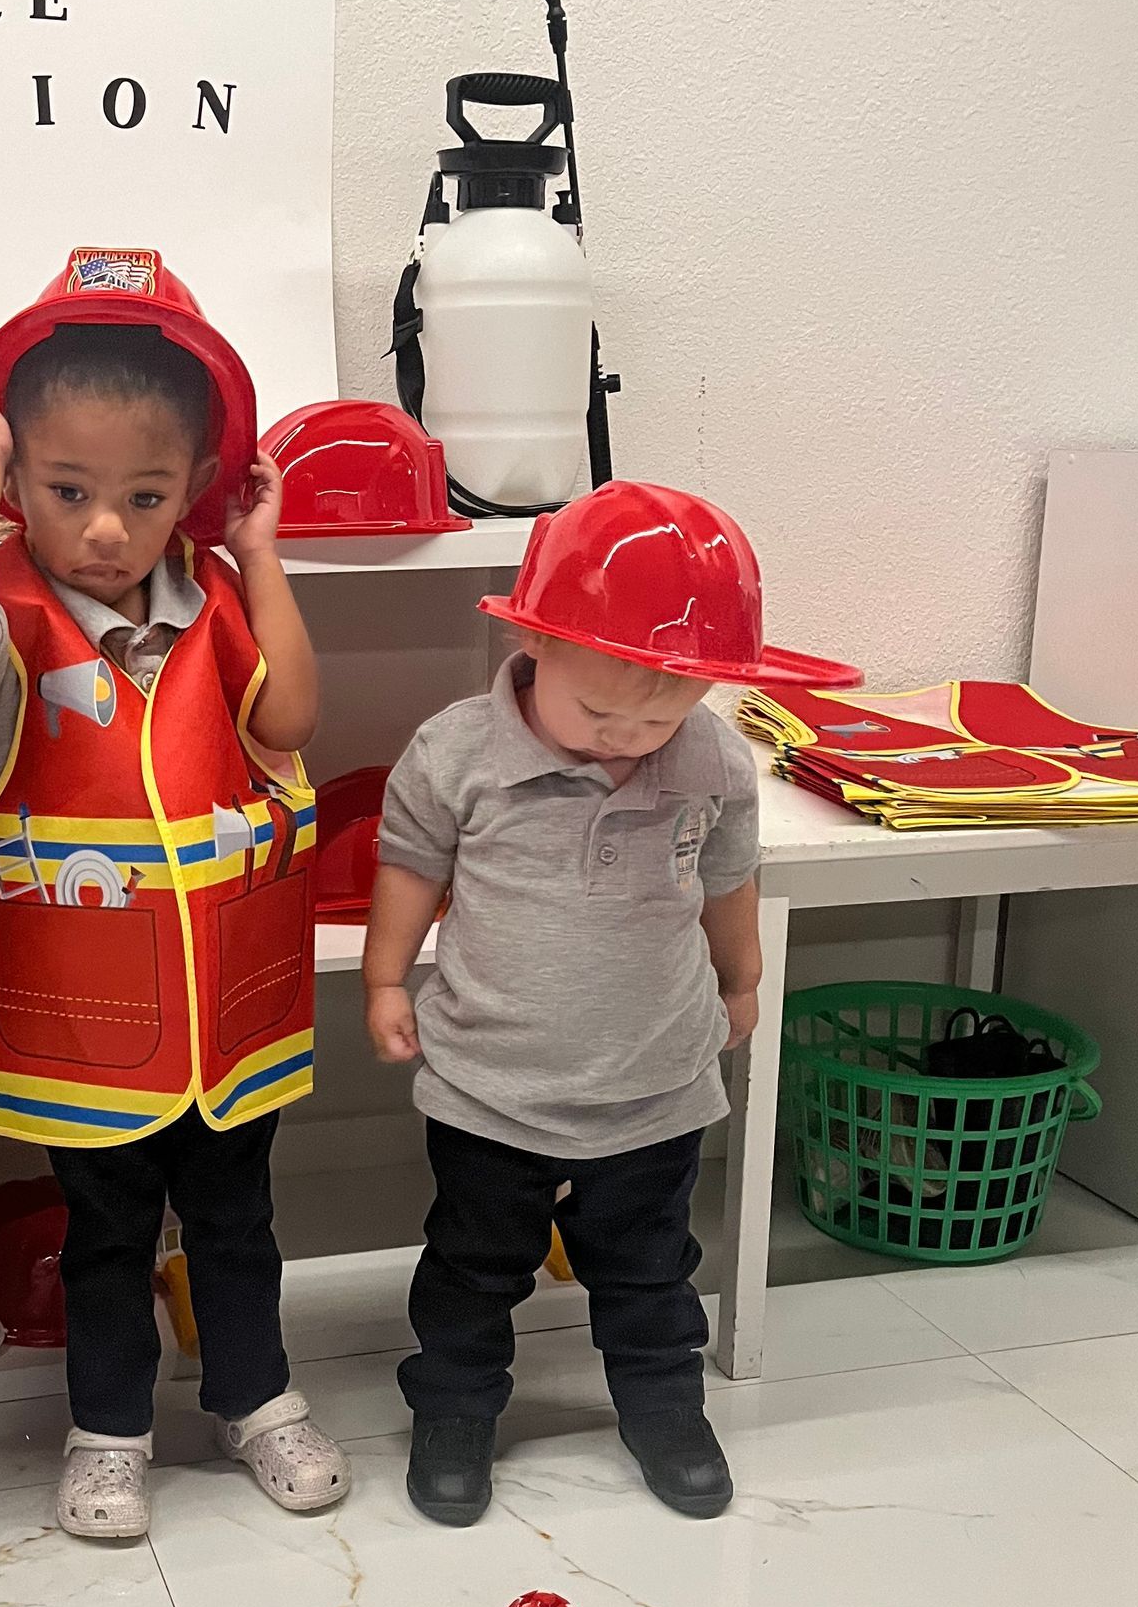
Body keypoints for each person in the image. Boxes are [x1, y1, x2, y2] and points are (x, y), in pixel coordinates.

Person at [0, 248, 351, 1541]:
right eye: (68, 490)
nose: (106, 528)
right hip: (87, 1025)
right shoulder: (1, 617)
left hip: (224, 1016)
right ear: (16, 481)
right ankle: (108, 1431)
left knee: (238, 1222)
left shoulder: (215, 598)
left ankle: (256, 1398)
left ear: (194, 488)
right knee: (104, 1234)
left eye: (146, 495)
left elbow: (292, 717)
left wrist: (258, 554)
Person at [362, 482, 861, 1526]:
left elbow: (728, 879)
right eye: (599, 712)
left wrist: (741, 979)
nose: (628, 737)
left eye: (661, 714)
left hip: (654, 1083)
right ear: (535, 645)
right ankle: (454, 1408)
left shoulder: (711, 758)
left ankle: (665, 1408)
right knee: (471, 1268)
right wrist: (385, 978)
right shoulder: (457, 753)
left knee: (651, 1272)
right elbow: (410, 865)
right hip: (491, 1083)